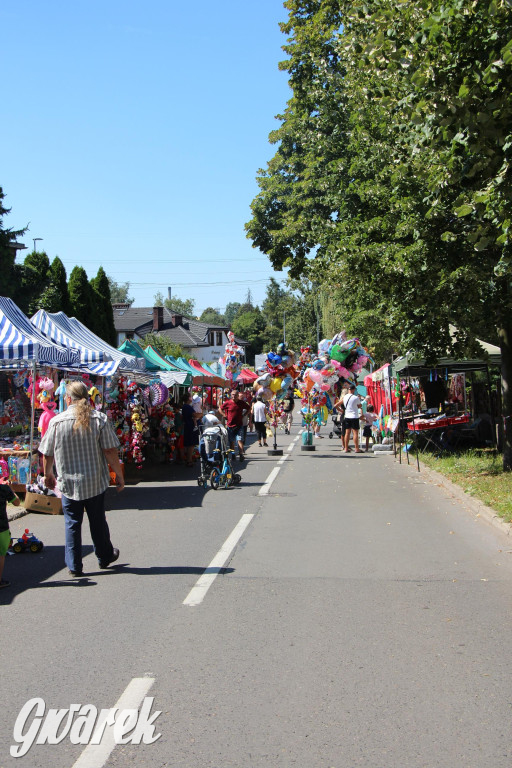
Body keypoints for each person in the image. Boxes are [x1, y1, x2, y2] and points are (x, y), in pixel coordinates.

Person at [39, 381, 124, 578]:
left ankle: (74, 565)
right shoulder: (99, 419)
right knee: (97, 521)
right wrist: (118, 475)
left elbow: (47, 453)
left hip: (68, 482)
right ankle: (104, 556)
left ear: (67, 398)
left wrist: (48, 474)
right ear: (87, 396)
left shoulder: (57, 422)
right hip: (95, 480)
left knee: (72, 523)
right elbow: (110, 450)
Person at [219, 389, 251, 460]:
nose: (234, 396)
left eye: (235, 395)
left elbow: (249, 408)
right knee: (232, 441)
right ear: (231, 395)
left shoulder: (241, 402)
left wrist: (244, 415)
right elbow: (220, 408)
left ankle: (241, 454)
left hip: (239, 425)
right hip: (230, 425)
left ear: (238, 396)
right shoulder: (227, 403)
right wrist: (224, 415)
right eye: (233, 395)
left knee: (239, 439)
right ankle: (233, 454)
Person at [0, 481, 20, 588]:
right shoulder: (4, 489)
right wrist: (12, 490)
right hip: (2, 527)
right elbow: (17, 502)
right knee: (1, 554)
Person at [342, 383, 362, 453]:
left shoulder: (344, 397)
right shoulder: (355, 397)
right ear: (353, 390)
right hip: (354, 416)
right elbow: (359, 406)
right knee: (355, 432)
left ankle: (346, 448)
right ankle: (357, 448)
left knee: (347, 432)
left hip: (347, 416)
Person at [182, 392, 200, 466]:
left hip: (189, 426)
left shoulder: (187, 406)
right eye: (190, 397)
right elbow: (194, 414)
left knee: (190, 444)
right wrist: (201, 414)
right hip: (190, 427)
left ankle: (188, 459)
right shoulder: (187, 406)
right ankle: (189, 460)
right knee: (191, 444)